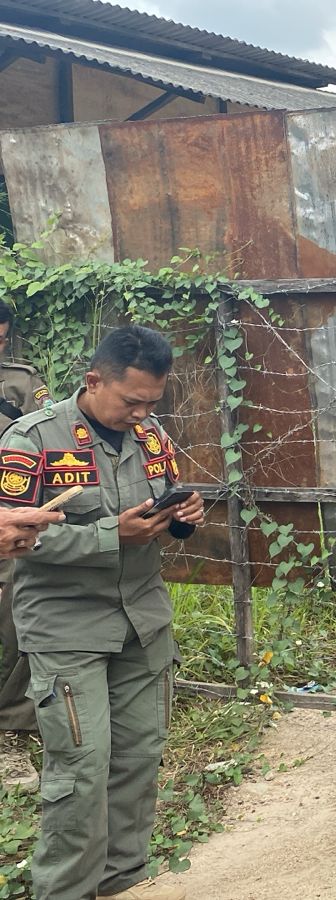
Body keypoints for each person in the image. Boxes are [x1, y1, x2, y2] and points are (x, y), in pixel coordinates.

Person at [0, 325, 202, 900]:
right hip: (68, 629)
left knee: (139, 760)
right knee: (82, 772)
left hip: (142, 621)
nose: (141, 415)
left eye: (152, 403)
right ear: (94, 381)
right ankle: (64, 892)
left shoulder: (152, 434)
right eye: (131, 401)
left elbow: (161, 502)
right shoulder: (31, 440)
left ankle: (121, 883)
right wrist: (114, 536)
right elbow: (16, 540)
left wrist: (182, 513)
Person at [0, 301, 56, 737]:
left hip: (7, 511)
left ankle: (14, 725)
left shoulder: (21, 381)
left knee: (13, 619)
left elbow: (47, 438)